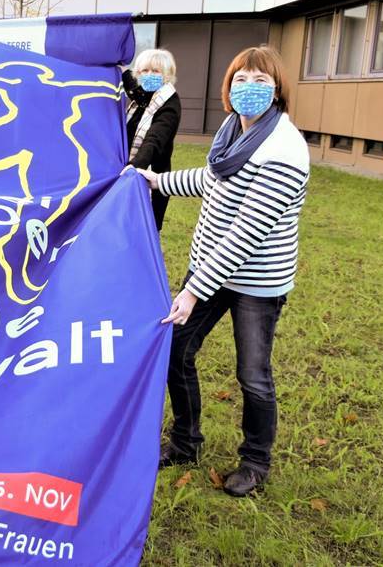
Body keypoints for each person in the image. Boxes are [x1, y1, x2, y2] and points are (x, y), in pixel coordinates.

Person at [137, 45, 310, 497]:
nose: (248, 89)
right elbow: (211, 182)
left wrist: (193, 291)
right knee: (175, 350)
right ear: (227, 88)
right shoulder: (234, 131)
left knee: (252, 374)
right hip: (211, 271)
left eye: (260, 82)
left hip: (255, 282)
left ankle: (255, 461)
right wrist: (154, 180)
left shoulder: (284, 148)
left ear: (277, 91)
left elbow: (245, 233)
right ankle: (186, 441)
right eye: (240, 80)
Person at [122, 49, 181, 231]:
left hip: (150, 179)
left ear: (167, 75)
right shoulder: (142, 97)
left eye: (156, 71)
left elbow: (154, 140)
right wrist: (121, 68)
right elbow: (131, 84)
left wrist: (135, 165)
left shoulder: (169, 103)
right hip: (127, 174)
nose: (149, 75)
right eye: (144, 71)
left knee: (143, 232)